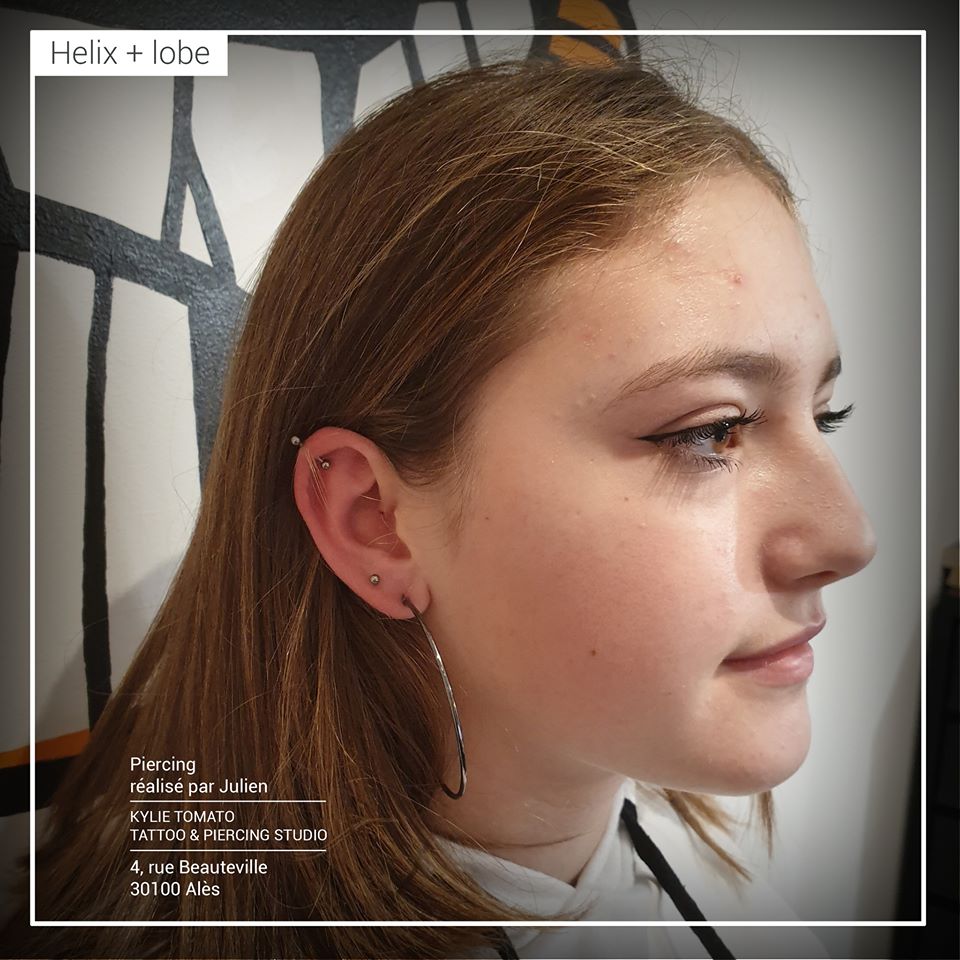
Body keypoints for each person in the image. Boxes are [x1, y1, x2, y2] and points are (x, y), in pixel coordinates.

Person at [8, 50, 876, 959]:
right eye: (711, 430)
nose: (848, 536)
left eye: (825, 415)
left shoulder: (749, 909)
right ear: (374, 522)